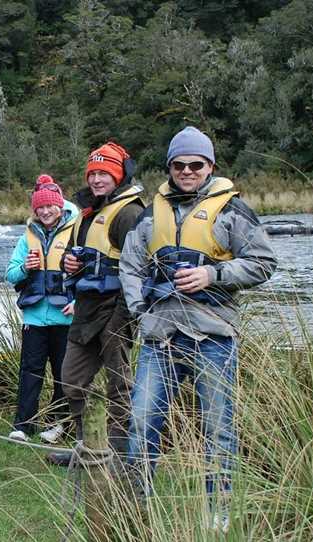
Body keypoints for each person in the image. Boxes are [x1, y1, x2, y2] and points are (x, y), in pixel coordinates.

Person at [119, 126, 277, 531]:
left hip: (214, 336)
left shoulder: (233, 210)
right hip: (160, 336)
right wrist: (140, 309)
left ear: (210, 166)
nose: (187, 171)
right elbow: (131, 265)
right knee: (141, 420)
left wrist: (214, 274)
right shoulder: (150, 213)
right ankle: (139, 504)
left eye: (196, 164)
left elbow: (263, 263)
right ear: (169, 166)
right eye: (179, 164)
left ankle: (218, 510)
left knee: (219, 427)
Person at [47, 142, 145, 465]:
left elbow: (142, 265)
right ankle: (87, 447)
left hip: (117, 307)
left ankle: (118, 455)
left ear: (118, 175)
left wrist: (130, 311)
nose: (97, 179)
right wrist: (69, 265)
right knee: (71, 379)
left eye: (105, 173)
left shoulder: (130, 213)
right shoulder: (87, 214)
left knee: (120, 384)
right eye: (93, 173)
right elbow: (74, 256)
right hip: (86, 308)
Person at [5, 175, 79, 443]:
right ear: (34, 211)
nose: (46, 212)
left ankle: (59, 424)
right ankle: (23, 426)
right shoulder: (27, 236)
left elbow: (89, 273)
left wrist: (79, 302)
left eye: (51, 207)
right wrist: (26, 267)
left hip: (66, 318)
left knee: (65, 374)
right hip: (34, 317)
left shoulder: (76, 230)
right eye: (40, 208)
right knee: (30, 371)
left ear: (60, 206)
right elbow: (10, 274)